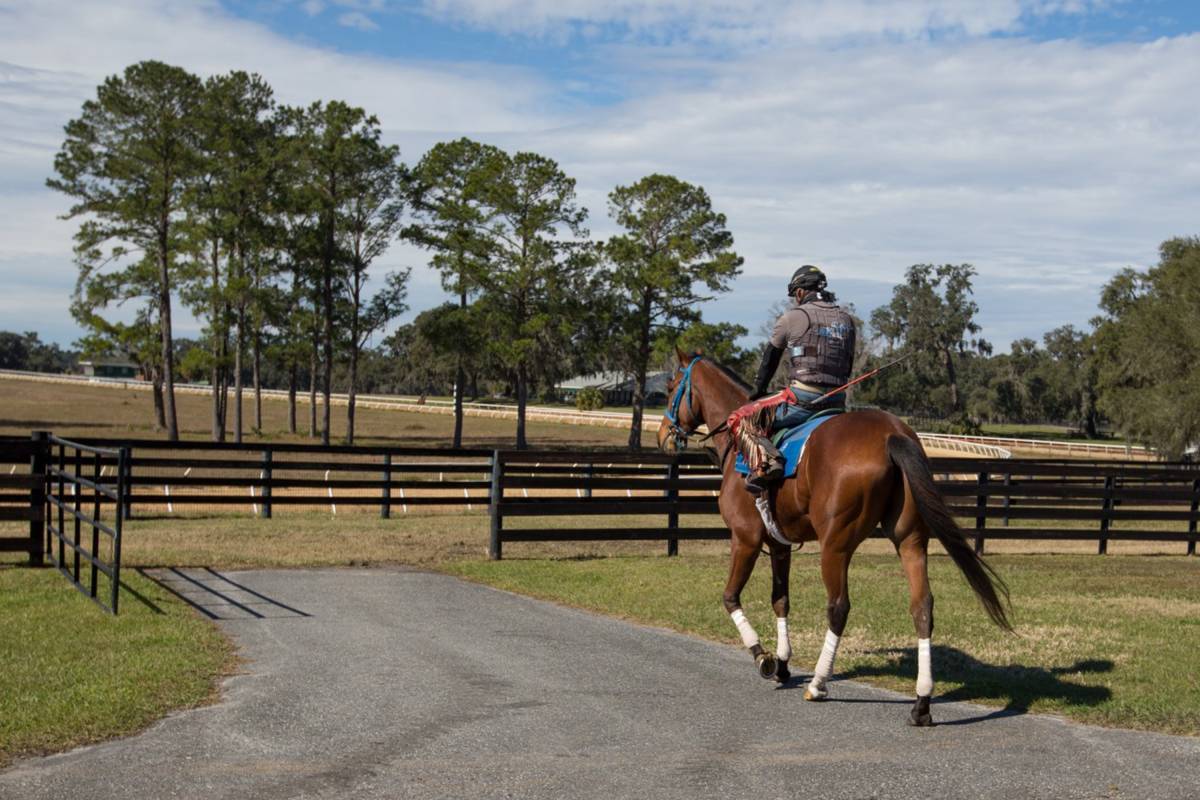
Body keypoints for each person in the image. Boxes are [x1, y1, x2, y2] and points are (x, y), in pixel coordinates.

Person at [739, 265, 857, 494]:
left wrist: (758, 390)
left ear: (801, 292)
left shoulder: (793, 317)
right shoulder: (847, 320)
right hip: (837, 401)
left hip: (802, 399)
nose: (795, 299)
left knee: (743, 419)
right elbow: (848, 364)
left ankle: (769, 464)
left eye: (795, 295)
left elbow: (769, 361)